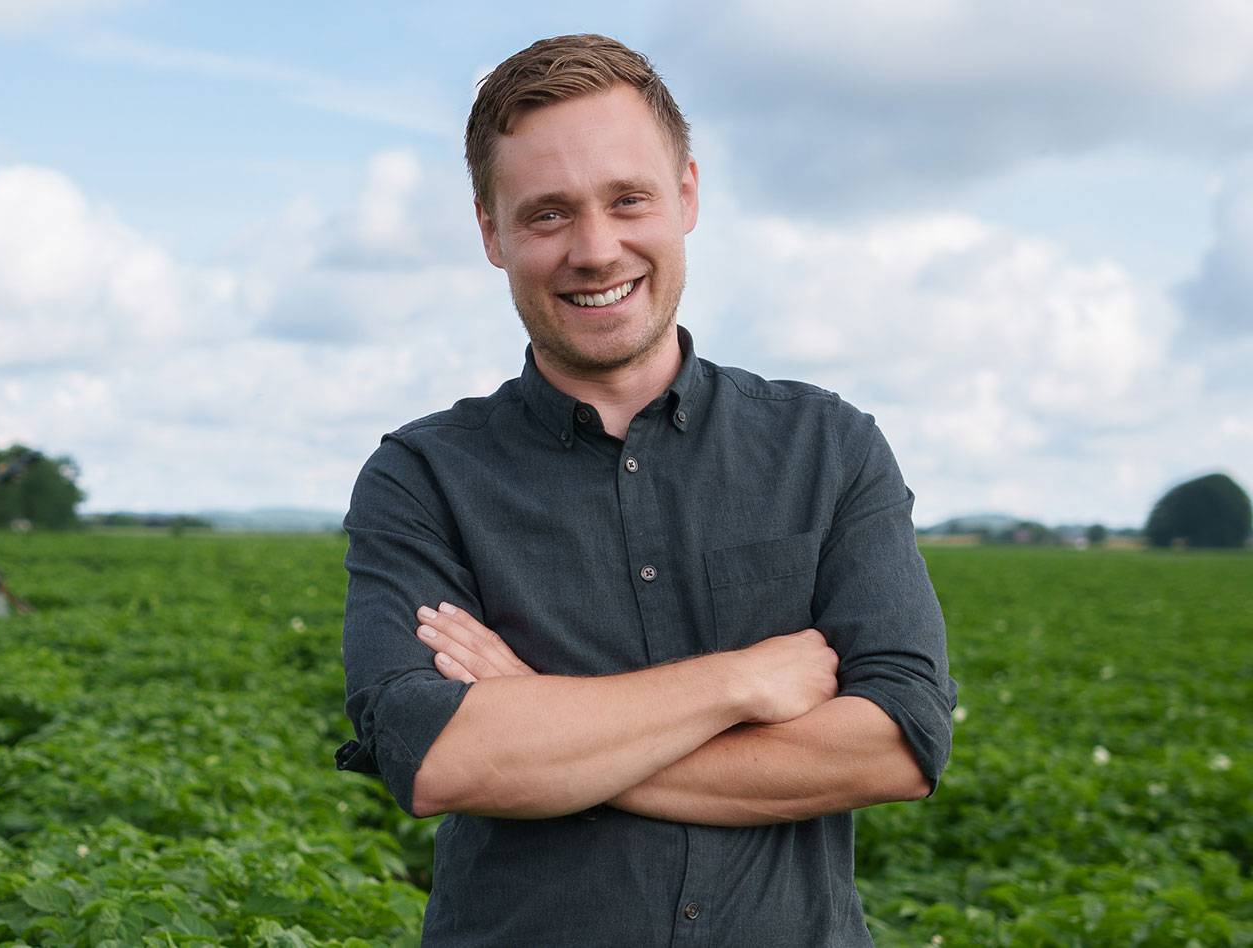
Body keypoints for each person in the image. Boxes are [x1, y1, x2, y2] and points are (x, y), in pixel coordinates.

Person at [337, 33, 957, 947]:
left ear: (688, 197)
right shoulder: (423, 476)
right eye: (547, 214)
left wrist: (547, 728)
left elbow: (897, 743)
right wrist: (741, 681)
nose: (596, 248)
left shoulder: (829, 446)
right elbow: (439, 759)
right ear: (490, 232)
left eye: (628, 199)